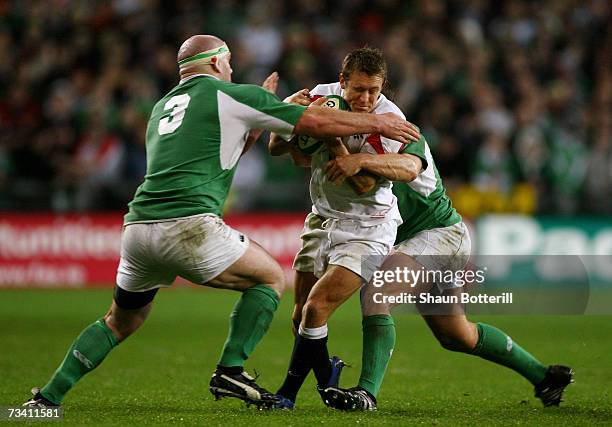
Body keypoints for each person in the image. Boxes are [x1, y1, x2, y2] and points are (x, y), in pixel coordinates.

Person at [23, 35, 420, 409]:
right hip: (189, 225)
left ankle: (47, 399)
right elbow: (312, 124)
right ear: (216, 62)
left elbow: (232, 148)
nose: (230, 71)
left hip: (139, 228)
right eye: (228, 64)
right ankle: (230, 370)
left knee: (118, 320)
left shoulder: (163, 108)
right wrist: (379, 124)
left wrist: (258, 114)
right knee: (268, 279)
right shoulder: (230, 94)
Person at [315, 127, 575, 411]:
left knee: (377, 292)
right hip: (436, 238)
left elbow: (406, 169)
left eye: (372, 93)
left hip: (439, 234)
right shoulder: (351, 141)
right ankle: (545, 377)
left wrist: (358, 159)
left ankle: (367, 394)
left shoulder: (402, 137)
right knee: (456, 335)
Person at [268, 47, 419, 409]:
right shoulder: (321, 97)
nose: (366, 99)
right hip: (322, 218)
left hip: (368, 227)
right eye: (358, 90)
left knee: (316, 310)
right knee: (299, 315)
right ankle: (327, 379)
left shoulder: (390, 121)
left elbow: (365, 185)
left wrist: (329, 135)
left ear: (383, 86)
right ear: (342, 82)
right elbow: (277, 148)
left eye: (374, 90)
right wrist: (291, 114)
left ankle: (286, 395)